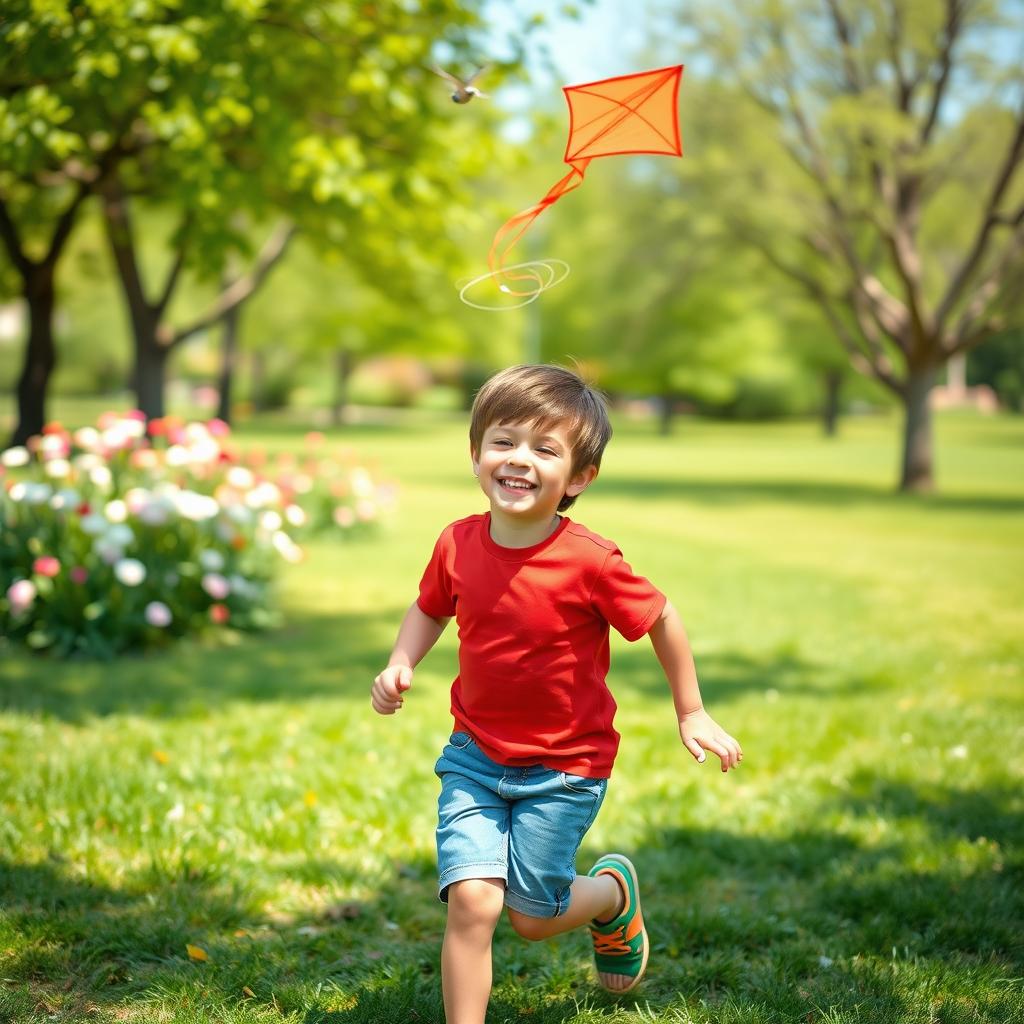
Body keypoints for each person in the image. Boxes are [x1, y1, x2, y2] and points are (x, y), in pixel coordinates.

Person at [371, 364, 742, 1023]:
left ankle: (609, 896)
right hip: (475, 756)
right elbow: (430, 608)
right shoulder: (456, 543)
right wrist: (402, 660)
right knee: (473, 903)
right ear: (476, 452)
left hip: (565, 768)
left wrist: (691, 710)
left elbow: (659, 618)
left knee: (533, 919)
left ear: (578, 478)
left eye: (545, 449)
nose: (519, 459)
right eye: (504, 440)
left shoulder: (591, 561)